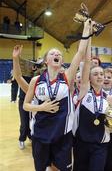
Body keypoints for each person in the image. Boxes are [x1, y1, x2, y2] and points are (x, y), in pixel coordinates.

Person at [13, 19, 92, 171]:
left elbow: (80, 52)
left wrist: (86, 29)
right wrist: (42, 107)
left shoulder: (67, 78)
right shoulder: (36, 81)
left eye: (59, 54)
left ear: (61, 61)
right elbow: (25, 104)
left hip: (62, 135)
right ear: (46, 60)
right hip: (40, 134)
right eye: (53, 53)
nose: (57, 54)